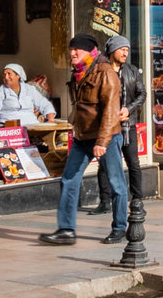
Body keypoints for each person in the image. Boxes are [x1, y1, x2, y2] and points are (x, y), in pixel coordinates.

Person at [40, 33, 127, 246]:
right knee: (69, 180)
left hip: (105, 136)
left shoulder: (105, 73)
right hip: (82, 136)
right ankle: (66, 230)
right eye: (71, 50)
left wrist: (102, 142)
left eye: (77, 50)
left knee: (116, 183)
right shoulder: (79, 73)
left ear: (89, 51)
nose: (72, 53)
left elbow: (110, 111)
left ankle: (119, 227)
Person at [0, 63, 56, 127]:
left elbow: (44, 104)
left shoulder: (29, 89)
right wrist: (1, 131)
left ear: (18, 76)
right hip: (10, 128)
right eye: (4, 74)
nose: (6, 77)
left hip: (32, 126)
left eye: (9, 74)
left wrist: (51, 121)